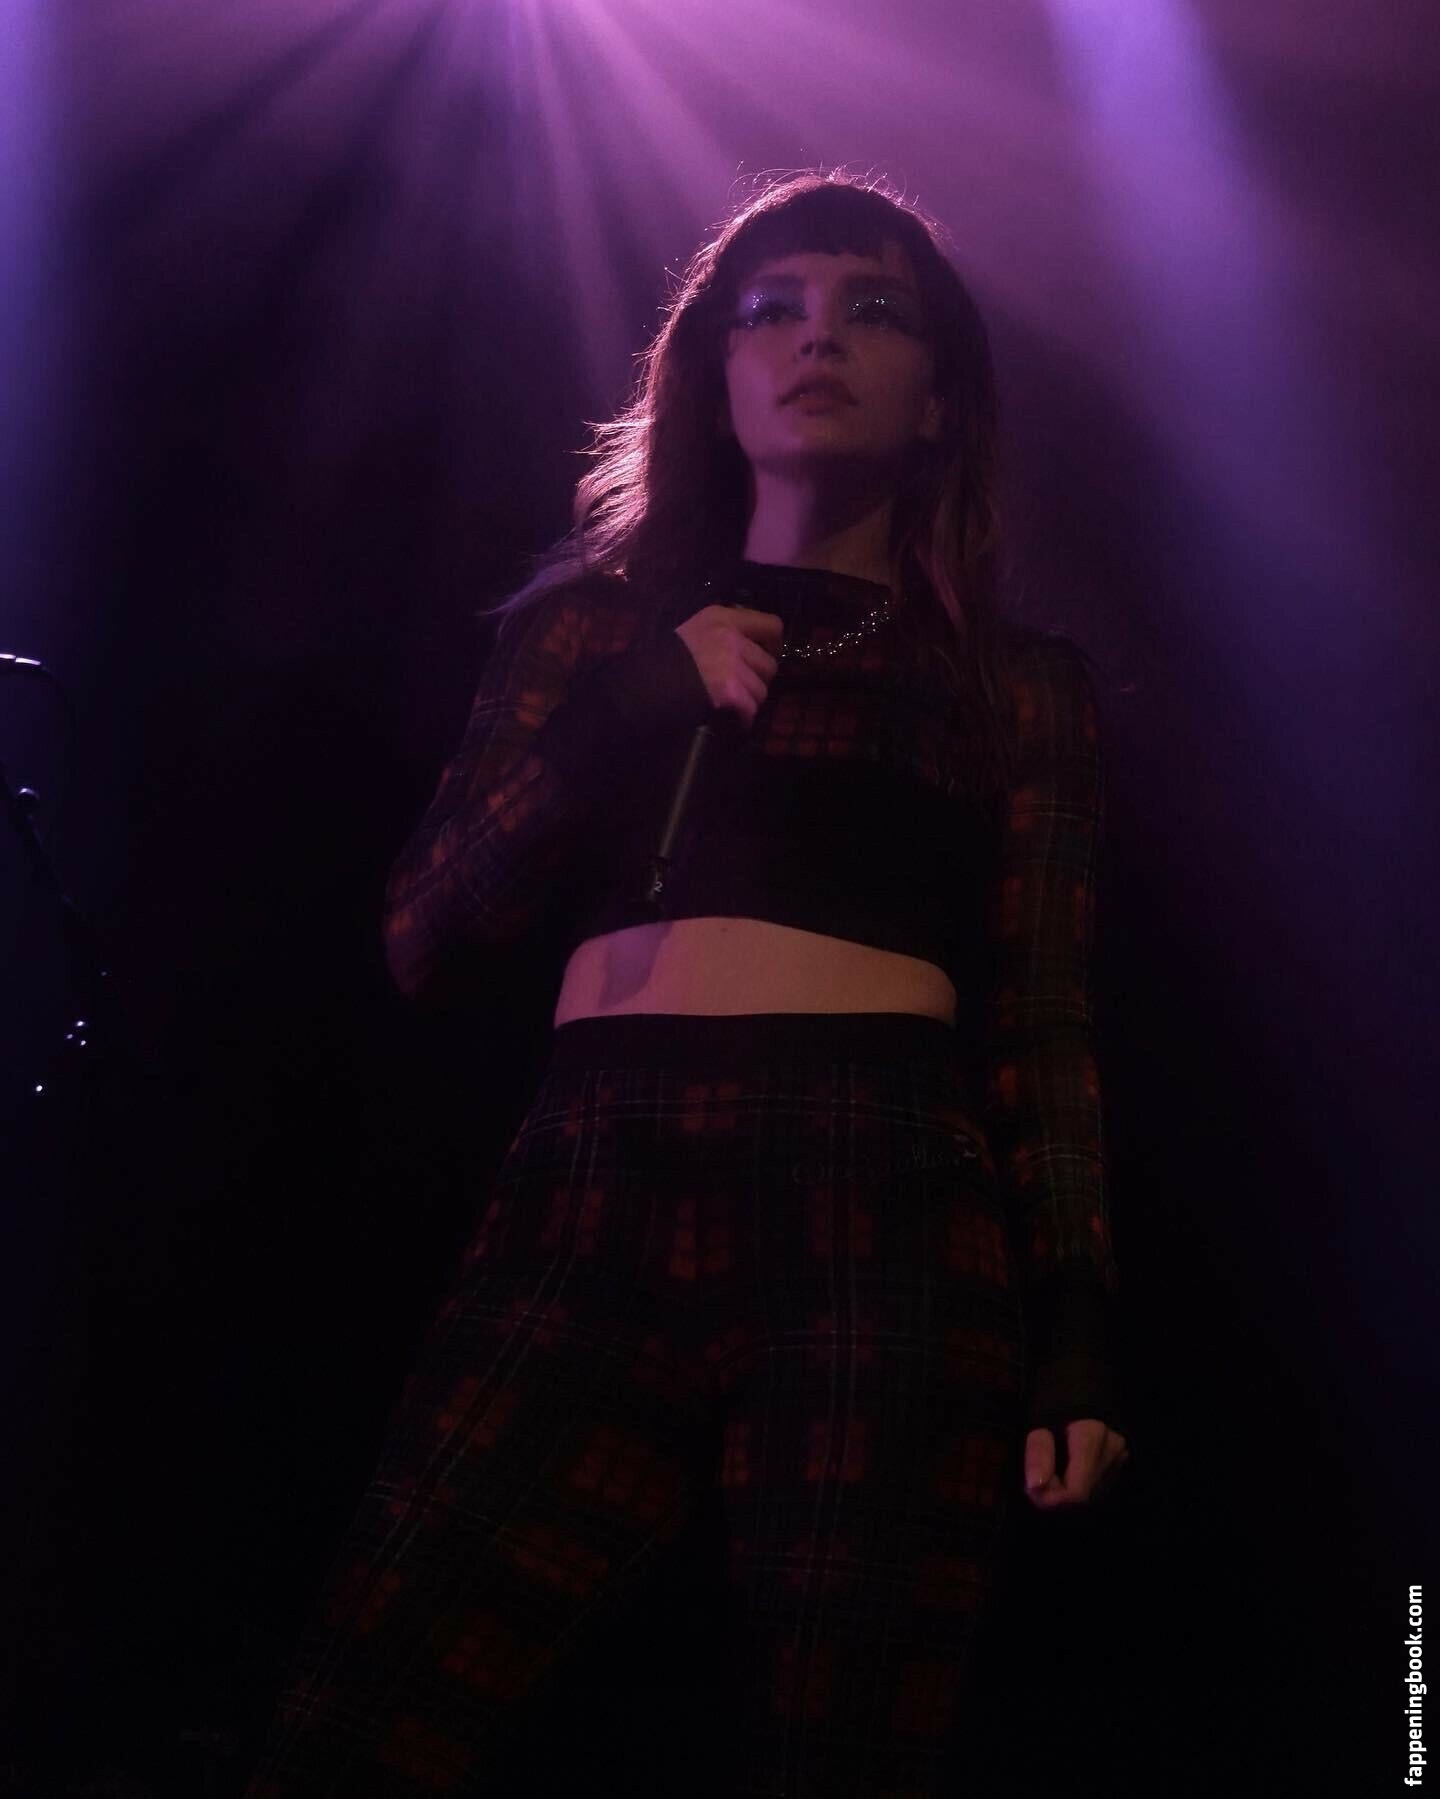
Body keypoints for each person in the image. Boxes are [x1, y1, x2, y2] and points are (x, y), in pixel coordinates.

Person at [243, 168, 1130, 1799]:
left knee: (845, 1742)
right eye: (771, 311)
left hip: (881, 1193)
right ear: (713, 377)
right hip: (597, 1174)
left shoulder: (1012, 685)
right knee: (364, 1718)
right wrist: (636, 707)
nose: (818, 341)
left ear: (941, 396)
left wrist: (1075, 1321)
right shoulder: (594, 634)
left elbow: (1047, 1016)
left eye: (873, 312)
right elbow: (424, 930)